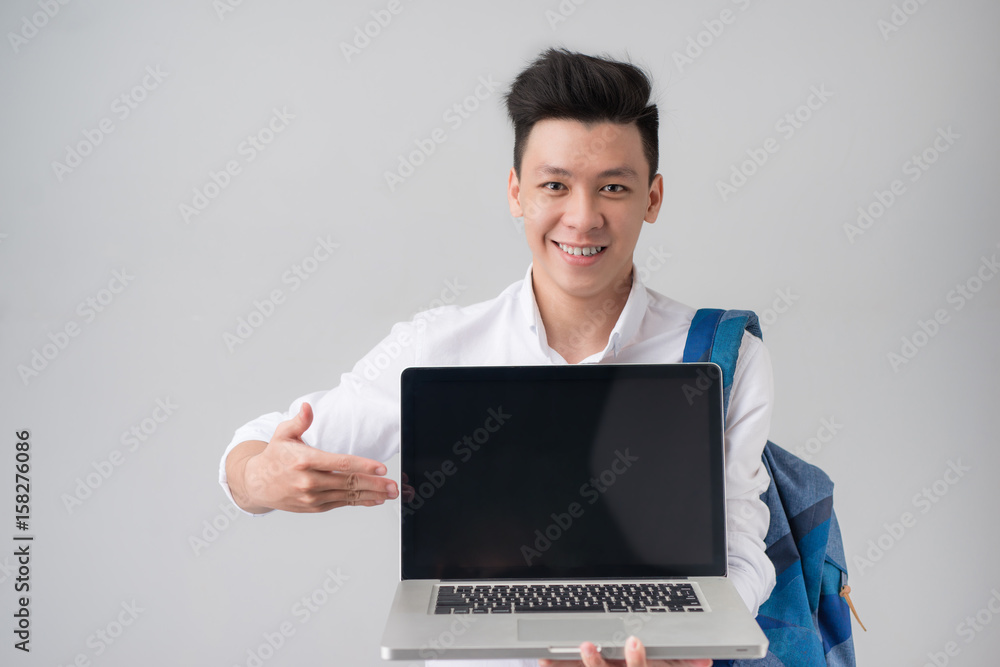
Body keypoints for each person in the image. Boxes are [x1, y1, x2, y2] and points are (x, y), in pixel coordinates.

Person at [220, 47, 775, 667]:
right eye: (554, 185)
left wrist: (685, 643)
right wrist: (259, 479)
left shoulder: (724, 356)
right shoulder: (436, 347)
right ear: (517, 193)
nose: (582, 218)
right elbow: (254, 448)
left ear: (652, 197)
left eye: (613, 187)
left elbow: (742, 546)